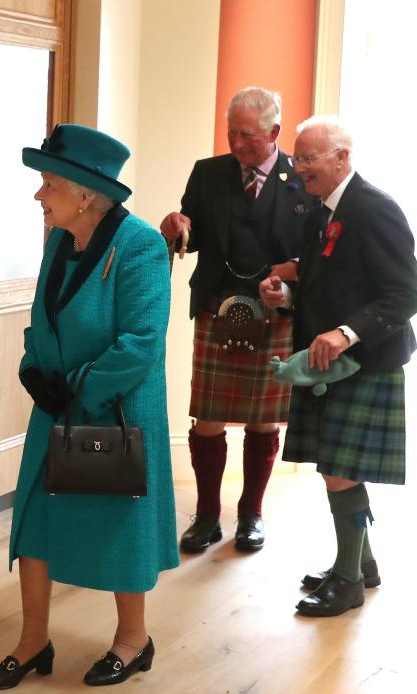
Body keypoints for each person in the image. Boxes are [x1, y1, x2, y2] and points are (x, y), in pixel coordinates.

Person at [0, 124, 177, 690]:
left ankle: (133, 641)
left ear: (85, 193)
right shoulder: (59, 241)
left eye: (47, 183)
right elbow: (43, 318)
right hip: (57, 405)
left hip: (115, 409)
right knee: (36, 518)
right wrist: (33, 371)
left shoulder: (139, 245)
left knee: (121, 523)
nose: (38, 195)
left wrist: (83, 387)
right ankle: (32, 641)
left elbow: (143, 340)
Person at [259, 116, 417, 617]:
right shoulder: (319, 210)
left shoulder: (374, 209)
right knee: (337, 468)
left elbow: (406, 292)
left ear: (341, 158)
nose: (299, 168)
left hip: (364, 359)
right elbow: (322, 279)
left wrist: (347, 332)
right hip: (329, 361)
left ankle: (348, 581)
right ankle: (360, 566)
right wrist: (282, 292)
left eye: (308, 159)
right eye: (297, 158)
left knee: (339, 472)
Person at [160, 87, 316, 553]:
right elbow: (195, 238)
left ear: (273, 132)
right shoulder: (208, 173)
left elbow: (315, 256)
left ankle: (251, 512)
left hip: (274, 312)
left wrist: (287, 288)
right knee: (207, 417)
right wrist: (178, 228)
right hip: (217, 306)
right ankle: (207, 515)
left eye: (246, 134)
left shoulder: (302, 180)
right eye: (230, 132)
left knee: (263, 422)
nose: (236, 142)